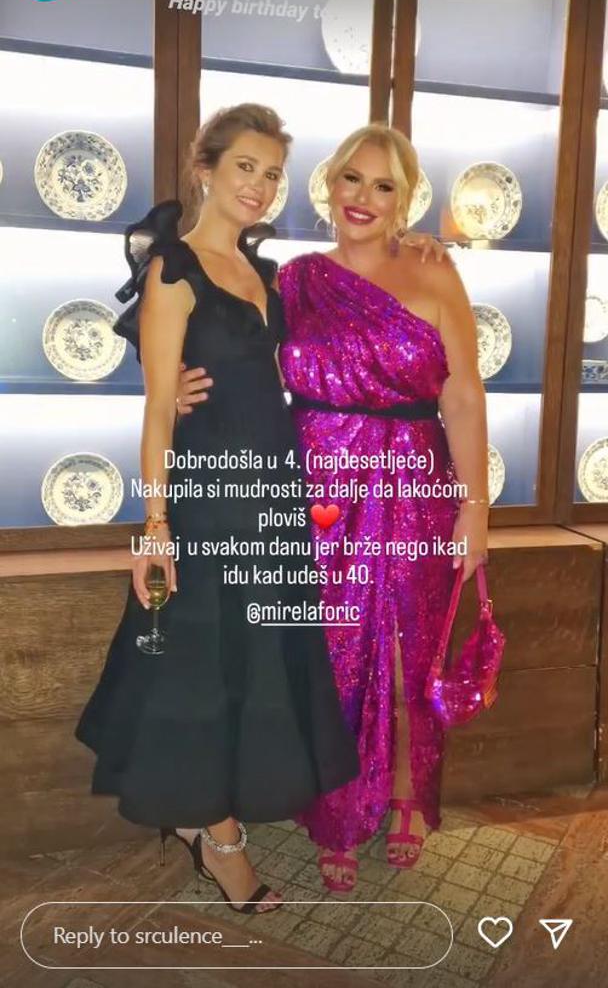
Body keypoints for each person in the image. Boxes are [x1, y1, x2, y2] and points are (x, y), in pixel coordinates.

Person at [176, 122, 489, 892]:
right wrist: (174, 385)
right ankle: (335, 811)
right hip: (316, 487)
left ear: (405, 200)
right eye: (353, 178)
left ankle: (406, 795)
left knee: (411, 646)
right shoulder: (293, 279)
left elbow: (463, 398)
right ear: (329, 184)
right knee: (329, 650)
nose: (364, 197)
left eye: (384, 186)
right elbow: (232, 347)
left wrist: (475, 508)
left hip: (414, 483)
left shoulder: (435, 271)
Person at [75, 103, 360, 915]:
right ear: (205, 169)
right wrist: (154, 529)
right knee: (200, 660)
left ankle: (208, 815)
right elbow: (158, 411)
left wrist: (417, 246)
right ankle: (219, 835)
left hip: (272, 489)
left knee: (251, 655)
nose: (260, 186)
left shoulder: (265, 274)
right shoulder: (175, 270)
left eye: (272, 174)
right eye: (245, 167)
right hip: (208, 498)